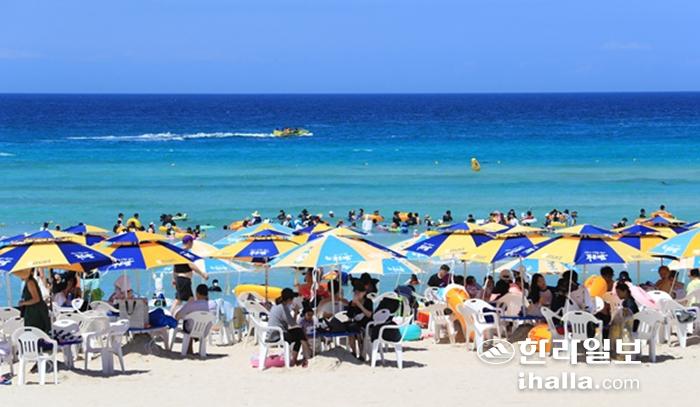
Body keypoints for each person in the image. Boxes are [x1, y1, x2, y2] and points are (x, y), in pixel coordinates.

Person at [267, 288, 310, 367]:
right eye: (292, 299)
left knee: (299, 333)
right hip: (277, 335)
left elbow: (290, 323)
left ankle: (296, 359)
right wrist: (296, 312)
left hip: (272, 333)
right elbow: (292, 323)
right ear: (289, 300)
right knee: (300, 333)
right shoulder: (283, 308)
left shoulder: (276, 305)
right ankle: (306, 356)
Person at [170, 235, 208, 314]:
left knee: (180, 300)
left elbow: (174, 267)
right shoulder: (185, 253)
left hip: (179, 279)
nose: (193, 243)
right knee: (188, 301)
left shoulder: (178, 252)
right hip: (184, 280)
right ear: (189, 242)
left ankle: (173, 315)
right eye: (192, 242)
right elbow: (191, 266)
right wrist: (202, 274)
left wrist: (174, 279)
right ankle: (179, 315)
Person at [346, 281, 373, 359]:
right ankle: (354, 352)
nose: (357, 294)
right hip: (356, 323)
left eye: (359, 293)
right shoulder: (352, 303)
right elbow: (350, 315)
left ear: (364, 293)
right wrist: (352, 306)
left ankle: (362, 354)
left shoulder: (368, 302)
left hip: (367, 324)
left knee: (359, 332)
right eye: (355, 293)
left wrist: (359, 305)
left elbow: (369, 314)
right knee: (350, 330)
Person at [18, 269, 51, 334]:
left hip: (35, 312)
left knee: (35, 333)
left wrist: (23, 303)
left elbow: (36, 299)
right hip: (35, 310)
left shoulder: (30, 282)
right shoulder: (29, 281)